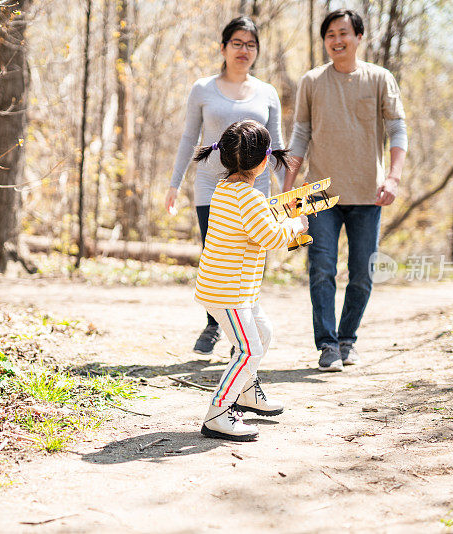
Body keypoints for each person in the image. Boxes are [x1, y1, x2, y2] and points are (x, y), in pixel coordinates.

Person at [283, 9, 408, 372]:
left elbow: (398, 130)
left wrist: (394, 178)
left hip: (369, 192)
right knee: (321, 269)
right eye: (329, 35)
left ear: (358, 37)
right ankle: (327, 345)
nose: (336, 41)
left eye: (343, 33)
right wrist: (288, 191)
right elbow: (300, 135)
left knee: (362, 273)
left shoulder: (380, 78)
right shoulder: (311, 81)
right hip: (319, 192)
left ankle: (347, 339)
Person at [166, 16, 285, 356]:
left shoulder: (268, 92)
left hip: (257, 186)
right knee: (218, 254)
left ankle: (242, 329)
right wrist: (174, 183)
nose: (244, 50)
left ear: (257, 50)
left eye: (251, 44)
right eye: (237, 43)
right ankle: (214, 322)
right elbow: (189, 137)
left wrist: (287, 188)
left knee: (253, 255)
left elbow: (275, 145)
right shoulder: (203, 88)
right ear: (223, 47)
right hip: (211, 188)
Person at [193, 120, 308, 441]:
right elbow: (270, 238)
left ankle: (245, 393)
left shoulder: (226, 189)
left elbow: (253, 229)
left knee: (262, 333)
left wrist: (280, 216)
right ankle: (218, 413)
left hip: (232, 289)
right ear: (261, 161)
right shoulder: (251, 197)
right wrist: (297, 224)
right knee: (248, 350)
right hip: (228, 292)